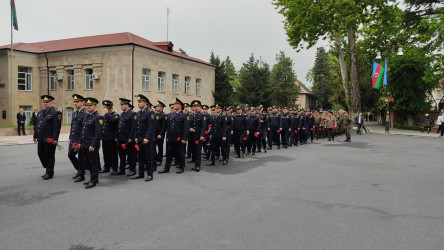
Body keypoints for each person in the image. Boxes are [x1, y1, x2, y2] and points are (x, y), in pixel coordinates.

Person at [77, 97, 103, 189]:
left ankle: (94, 180)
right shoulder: (87, 116)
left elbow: (98, 133)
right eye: (87, 105)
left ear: (95, 106)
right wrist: (80, 142)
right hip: (84, 143)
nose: (88, 107)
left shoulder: (98, 117)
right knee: (87, 162)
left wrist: (93, 145)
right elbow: (83, 131)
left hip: (92, 144)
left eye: (90, 105)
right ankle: (92, 179)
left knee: (93, 163)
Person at [33, 95, 62, 180]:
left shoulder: (55, 112)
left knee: (50, 156)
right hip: (41, 138)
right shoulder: (41, 112)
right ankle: (48, 168)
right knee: (40, 154)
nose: (45, 104)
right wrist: (35, 135)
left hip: (49, 138)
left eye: (47, 102)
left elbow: (57, 127)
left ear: (51, 102)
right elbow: (37, 125)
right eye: (44, 102)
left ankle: (49, 172)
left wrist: (55, 138)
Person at [159, 98, 189, 174]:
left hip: (179, 138)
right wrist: (167, 137)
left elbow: (186, 128)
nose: (173, 105)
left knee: (180, 153)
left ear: (179, 106)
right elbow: (168, 127)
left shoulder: (184, 115)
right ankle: (166, 168)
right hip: (171, 138)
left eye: (175, 104)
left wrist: (184, 138)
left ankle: (181, 167)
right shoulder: (171, 115)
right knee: (169, 153)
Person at [131, 94, 157, 181]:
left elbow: (151, 127)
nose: (138, 103)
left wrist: (147, 138)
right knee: (140, 157)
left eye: (140, 102)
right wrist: (135, 136)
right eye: (138, 102)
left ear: (145, 103)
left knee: (149, 157)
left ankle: (150, 174)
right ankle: (140, 173)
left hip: (147, 139)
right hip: (140, 138)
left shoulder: (150, 113)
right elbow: (136, 126)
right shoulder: (138, 113)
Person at [116, 98, 137, 176]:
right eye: (121, 105)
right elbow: (119, 126)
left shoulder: (132, 114)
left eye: (122, 105)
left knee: (130, 154)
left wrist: (131, 137)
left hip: (128, 138)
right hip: (121, 138)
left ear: (127, 105)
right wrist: (117, 136)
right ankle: (122, 169)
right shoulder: (122, 114)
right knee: (121, 155)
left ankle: (133, 169)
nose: (121, 106)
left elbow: (133, 127)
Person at [69, 94, 87, 180]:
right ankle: (79, 169)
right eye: (74, 101)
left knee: (81, 157)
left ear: (82, 103)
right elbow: (72, 127)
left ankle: (81, 174)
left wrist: (81, 141)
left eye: (77, 101)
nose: (75, 103)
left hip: (81, 140)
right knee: (70, 155)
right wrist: (70, 138)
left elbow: (84, 129)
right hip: (74, 139)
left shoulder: (85, 114)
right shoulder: (74, 113)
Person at [100, 100, 120, 174]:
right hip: (105, 138)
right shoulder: (105, 116)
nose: (105, 110)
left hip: (112, 138)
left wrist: (107, 113)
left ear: (110, 108)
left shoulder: (115, 115)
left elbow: (112, 120)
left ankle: (114, 168)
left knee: (113, 154)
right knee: (106, 154)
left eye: (106, 108)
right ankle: (106, 167)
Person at [188, 100, 207, 172]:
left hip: (198, 136)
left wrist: (202, 135)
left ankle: (197, 165)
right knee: (193, 150)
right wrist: (190, 128)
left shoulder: (202, 116)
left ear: (200, 107)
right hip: (191, 136)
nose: (196, 108)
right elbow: (188, 125)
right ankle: (195, 163)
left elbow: (203, 127)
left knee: (198, 151)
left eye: (197, 106)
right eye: (194, 106)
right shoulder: (191, 115)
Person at [154, 101, 167, 167]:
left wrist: (161, 134)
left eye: (158, 106)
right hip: (154, 134)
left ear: (162, 108)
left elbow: (164, 127)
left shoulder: (164, 116)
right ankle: (155, 158)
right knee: (153, 147)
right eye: (156, 106)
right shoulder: (154, 114)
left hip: (159, 134)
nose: (157, 107)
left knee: (160, 147)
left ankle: (159, 160)